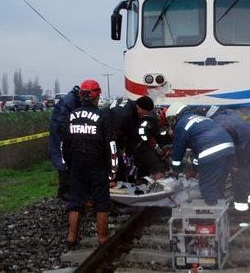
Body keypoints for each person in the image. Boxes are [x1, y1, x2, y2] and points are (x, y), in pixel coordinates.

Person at [61, 79, 115, 246]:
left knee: (75, 202)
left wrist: (68, 166)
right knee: (102, 202)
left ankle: (71, 237)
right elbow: (111, 146)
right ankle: (103, 237)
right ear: (96, 96)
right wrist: (112, 172)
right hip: (97, 166)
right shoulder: (102, 117)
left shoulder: (71, 116)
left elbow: (64, 144)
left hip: (77, 165)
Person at [204, 106, 250, 212]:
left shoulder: (219, 123)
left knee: (238, 174)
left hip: (244, 148)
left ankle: (241, 205)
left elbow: (227, 144)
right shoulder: (229, 115)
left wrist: (233, 163)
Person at [166, 102, 235, 205]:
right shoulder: (199, 119)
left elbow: (178, 152)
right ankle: (222, 211)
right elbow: (197, 152)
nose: (171, 123)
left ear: (175, 116)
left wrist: (176, 170)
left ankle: (215, 215)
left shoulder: (181, 124)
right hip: (228, 148)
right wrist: (194, 169)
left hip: (212, 152)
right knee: (218, 185)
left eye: (170, 120)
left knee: (208, 187)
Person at [106, 96, 165, 181]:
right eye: (145, 113)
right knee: (118, 165)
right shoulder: (125, 116)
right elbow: (114, 134)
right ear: (141, 108)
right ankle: (114, 183)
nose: (144, 115)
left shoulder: (128, 103)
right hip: (106, 136)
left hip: (107, 128)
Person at [48, 85, 81, 201]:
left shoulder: (72, 100)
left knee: (66, 161)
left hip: (62, 136)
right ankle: (64, 191)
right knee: (63, 162)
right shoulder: (69, 102)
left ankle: (68, 190)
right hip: (60, 138)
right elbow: (63, 122)